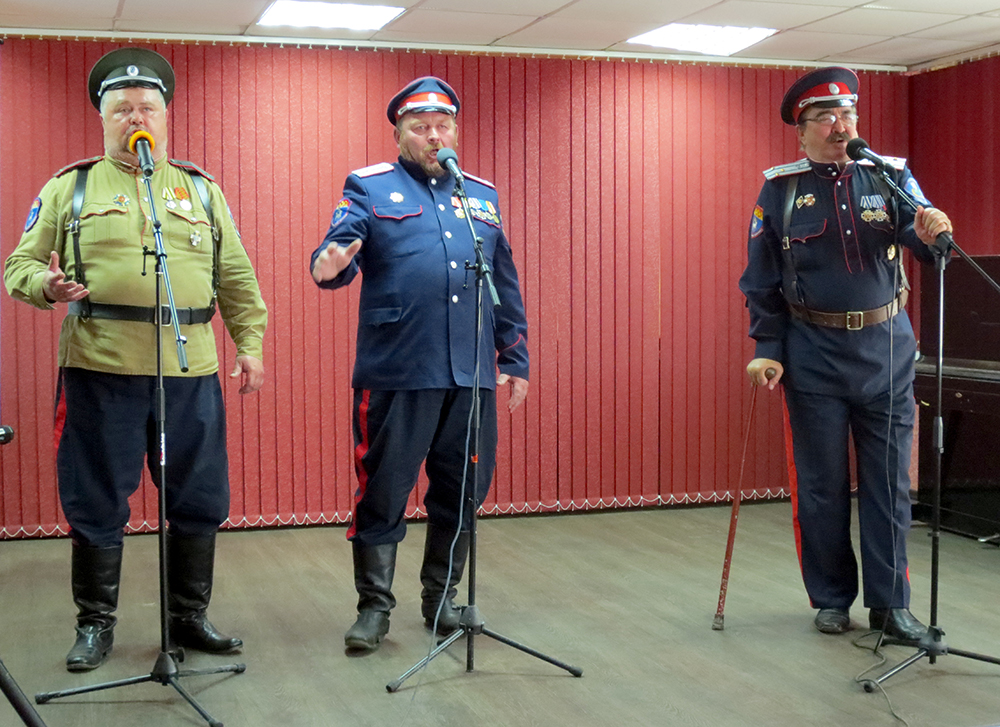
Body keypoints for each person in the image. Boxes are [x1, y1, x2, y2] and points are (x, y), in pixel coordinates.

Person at [4, 48, 268, 672]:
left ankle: (189, 618)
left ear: (164, 116)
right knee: (97, 497)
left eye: (147, 107)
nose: (135, 117)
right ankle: (95, 624)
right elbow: (18, 265)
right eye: (122, 109)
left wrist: (250, 343)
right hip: (100, 368)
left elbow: (234, 275)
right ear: (104, 119)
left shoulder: (200, 190)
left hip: (190, 370)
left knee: (199, 495)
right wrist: (47, 286)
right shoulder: (71, 187)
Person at [310, 76, 530, 652]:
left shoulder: (481, 195)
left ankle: (443, 599)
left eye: (443, 126)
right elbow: (339, 247)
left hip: (470, 373)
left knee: (462, 491)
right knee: (383, 490)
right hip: (399, 368)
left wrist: (516, 357)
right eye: (420, 127)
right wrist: (330, 264)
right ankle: (374, 609)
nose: (434, 136)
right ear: (400, 135)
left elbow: (503, 283)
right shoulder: (369, 186)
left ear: (454, 131)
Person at [739, 67, 953, 641]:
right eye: (827, 117)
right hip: (813, 354)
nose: (842, 126)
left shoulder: (890, 176)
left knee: (889, 486)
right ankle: (832, 598)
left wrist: (931, 233)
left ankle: (891, 607)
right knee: (821, 486)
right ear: (801, 131)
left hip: (886, 352)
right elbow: (761, 279)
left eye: (849, 114)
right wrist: (767, 347)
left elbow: (926, 243)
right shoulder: (780, 190)